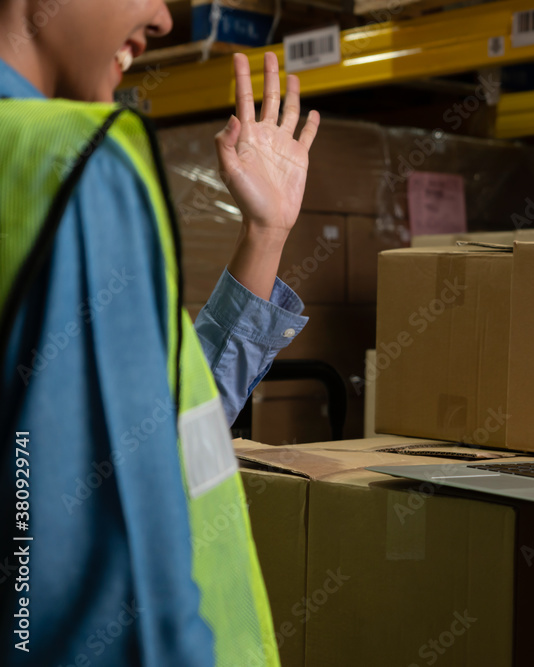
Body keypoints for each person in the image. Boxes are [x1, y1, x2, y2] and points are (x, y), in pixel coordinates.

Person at [0, 0, 320, 664]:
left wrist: (264, 235)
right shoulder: (70, 163)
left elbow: (153, 429)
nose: (163, 18)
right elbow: (106, 588)